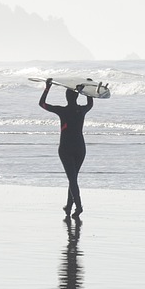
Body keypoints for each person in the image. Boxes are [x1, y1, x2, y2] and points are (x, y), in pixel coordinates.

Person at [37, 77, 93, 218]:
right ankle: (69, 206)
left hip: (66, 148)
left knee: (72, 178)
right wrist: (88, 89)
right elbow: (90, 103)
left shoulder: (62, 111)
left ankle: (79, 207)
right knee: (73, 178)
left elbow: (42, 104)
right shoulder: (82, 110)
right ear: (76, 96)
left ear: (66, 97)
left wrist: (47, 87)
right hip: (80, 147)